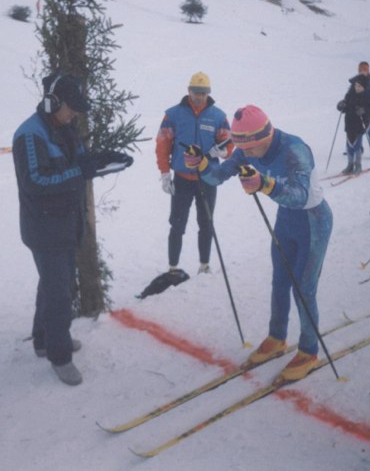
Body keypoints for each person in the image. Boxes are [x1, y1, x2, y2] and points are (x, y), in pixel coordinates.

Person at [184, 105, 333, 381]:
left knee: (303, 289)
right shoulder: (246, 147)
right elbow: (218, 176)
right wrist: (202, 164)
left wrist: (264, 184)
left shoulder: (295, 150)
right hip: (286, 220)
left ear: (264, 137)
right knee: (279, 280)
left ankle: (310, 350)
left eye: (250, 149)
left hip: (312, 221)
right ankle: (277, 338)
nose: (245, 154)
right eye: (242, 149)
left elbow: (300, 196)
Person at [13, 73, 132, 386]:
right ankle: (59, 354)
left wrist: (103, 160)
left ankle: (42, 340)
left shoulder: (67, 128)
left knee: (52, 283)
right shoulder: (30, 135)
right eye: (71, 108)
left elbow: (78, 163)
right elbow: (36, 182)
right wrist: (82, 170)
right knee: (59, 290)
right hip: (43, 226)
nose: (75, 114)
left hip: (66, 222)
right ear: (53, 102)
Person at [155, 72, 233, 275]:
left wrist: (223, 150)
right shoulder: (173, 115)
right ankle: (173, 268)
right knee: (177, 225)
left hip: (208, 179)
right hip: (182, 179)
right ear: (188, 91)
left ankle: (204, 266)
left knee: (206, 223)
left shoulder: (218, 116)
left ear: (209, 93)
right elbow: (162, 144)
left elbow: (230, 143)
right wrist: (165, 173)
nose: (199, 96)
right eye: (196, 92)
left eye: (204, 93)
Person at [336, 61, 370, 174]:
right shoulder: (354, 83)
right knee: (351, 139)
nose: (362, 71)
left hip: (366, 115)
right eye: (360, 69)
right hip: (352, 117)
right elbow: (348, 98)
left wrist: (366, 107)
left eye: (364, 69)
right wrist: (343, 104)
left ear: (368, 70)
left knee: (368, 133)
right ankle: (350, 164)